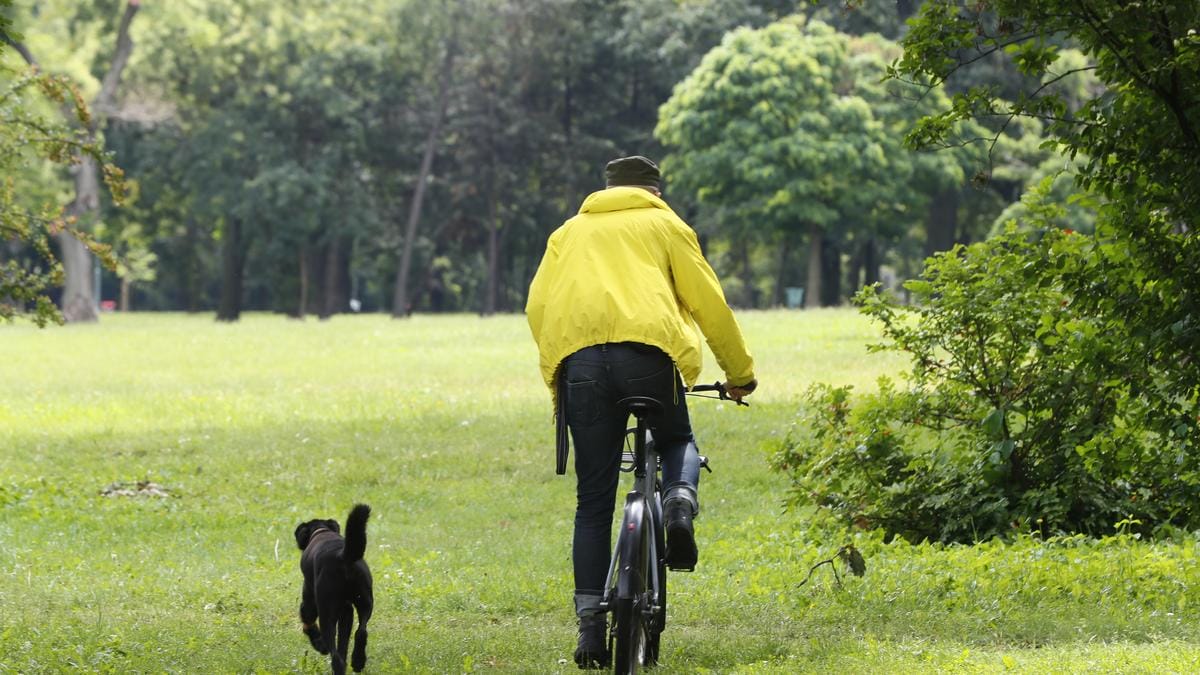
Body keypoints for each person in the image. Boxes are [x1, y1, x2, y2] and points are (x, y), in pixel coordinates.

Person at [525, 155, 757, 668]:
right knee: (676, 440)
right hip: (650, 359)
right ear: (654, 190)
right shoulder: (666, 224)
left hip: (581, 366)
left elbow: (537, 308)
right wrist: (739, 373)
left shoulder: (568, 233)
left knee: (593, 501)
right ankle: (677, 503)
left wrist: (567, 358)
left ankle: (589, 625)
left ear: (604, 189)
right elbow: (708, 304)